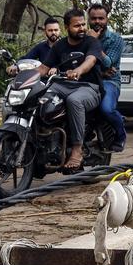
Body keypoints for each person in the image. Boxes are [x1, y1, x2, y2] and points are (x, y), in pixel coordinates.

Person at [38, 9, 102, 172]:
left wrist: (78, 71)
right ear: (67, 27)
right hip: (62, 85)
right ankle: (43, 141)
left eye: (83, 24)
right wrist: (26, 76)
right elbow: (44, 67)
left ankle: (77, 148)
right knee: (40, 98)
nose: (81, 28)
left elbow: (91, 60)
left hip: (89, 87)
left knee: (74, 100)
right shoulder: (60, 45)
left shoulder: (91, 42)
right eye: (76, 26)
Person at [86, 3, 127, 152]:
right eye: (93, 18)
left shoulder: (116, 39)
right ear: (88, 20)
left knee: (106, 109)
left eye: (101, 18)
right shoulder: (82, 37)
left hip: (109, 81)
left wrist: (94, 42)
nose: (97, 22)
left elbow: (108, 63)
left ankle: (121, 135)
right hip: (87, 80)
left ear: (107, 19)